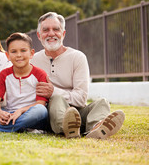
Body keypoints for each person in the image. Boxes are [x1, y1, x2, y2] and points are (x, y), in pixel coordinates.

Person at [31, 11, 125, 139]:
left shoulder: (77, 57)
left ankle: (95, 129)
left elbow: (81, 98)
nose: (51, 33)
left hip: (79, 112)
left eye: (56, 29)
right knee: (57, 99)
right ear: (39, 35)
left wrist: (53, 91)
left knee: (102, 102)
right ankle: (67, 128)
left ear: (63, 33)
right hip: (51, 115)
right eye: (46, 30)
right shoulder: (33, 60)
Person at [0, 32, 48, 132]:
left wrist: (20, 111)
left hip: (29, 115)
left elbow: (40, 103)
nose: (19, 55)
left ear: (31, 53)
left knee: (41, 110)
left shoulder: (40, 74)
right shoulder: (4, 74)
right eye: (14, 52)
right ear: (8, 55)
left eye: (23, 51)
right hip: (8, 114)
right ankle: (18, 128)